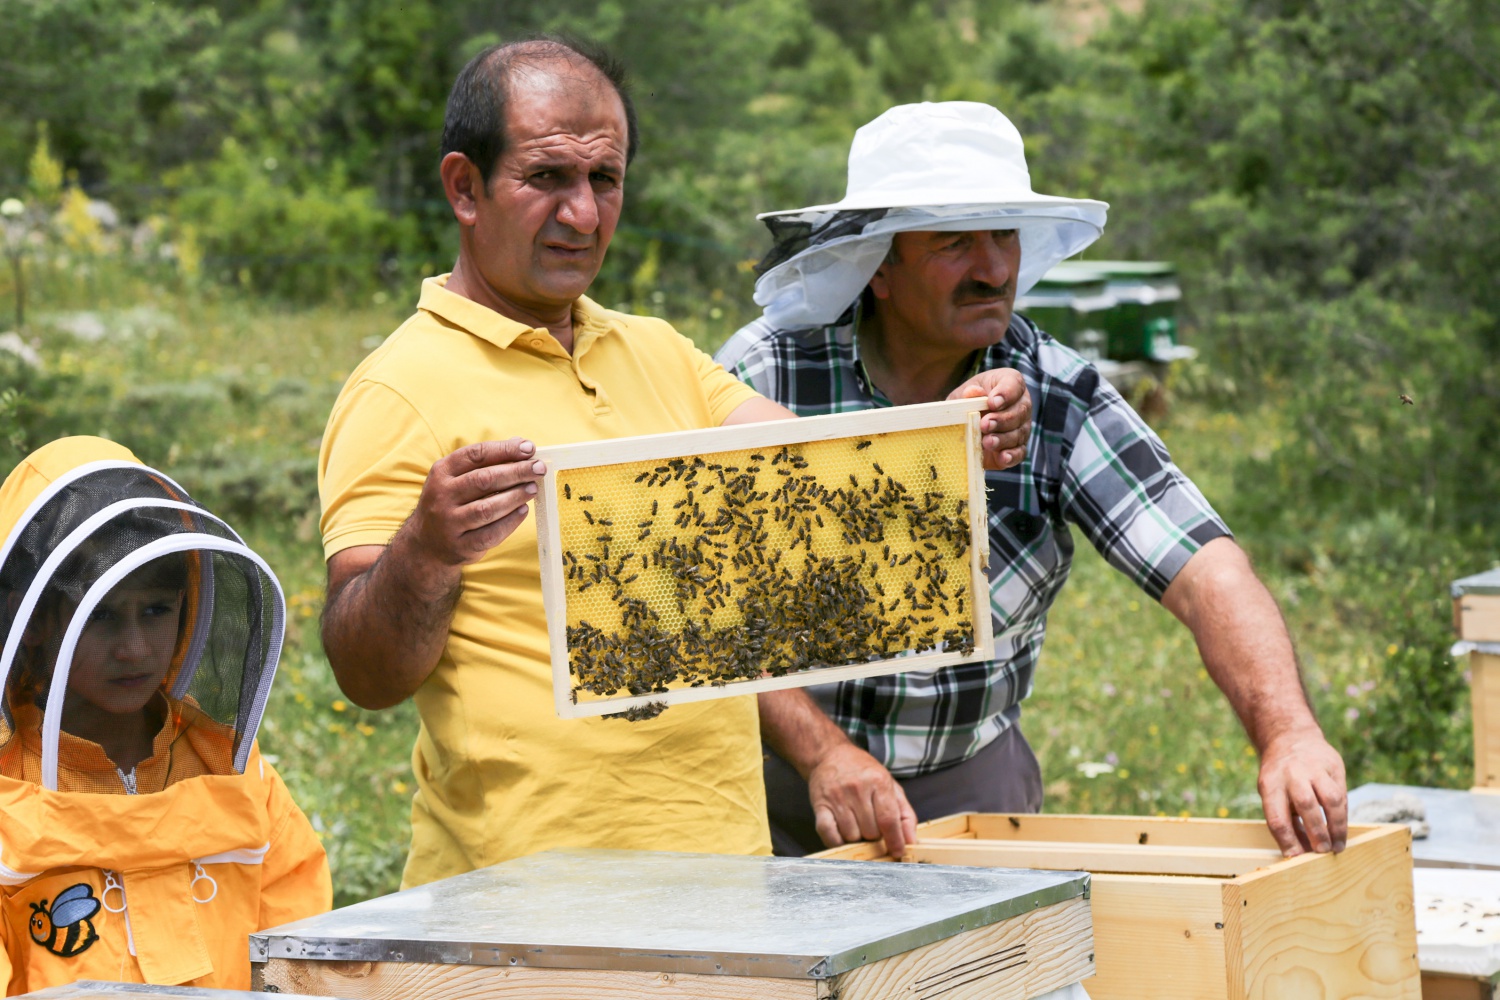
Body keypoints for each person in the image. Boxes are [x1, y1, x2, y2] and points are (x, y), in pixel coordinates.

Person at [317, 39, 1034, 888]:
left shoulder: (657, 352)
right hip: (522, 900)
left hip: (723, 881)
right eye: (547, 178)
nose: (582, 214)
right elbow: (365, 674)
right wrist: (427, 551)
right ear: (464, 188)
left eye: (604, 181)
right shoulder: (398, 388)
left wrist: (946, 435)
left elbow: (821, 474)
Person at [717, 101, 1348, 861]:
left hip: (968, 788)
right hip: (775, 779)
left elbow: (1204, 568)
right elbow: (703, 609)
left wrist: (1290, 733)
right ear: (879, 265)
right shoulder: (769, 370)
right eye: (955, 242)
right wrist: (819, 753)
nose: (993, 268)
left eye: (1003, 236)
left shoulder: (1056, 390)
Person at [0, 436, 331, 993]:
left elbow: (302, 962)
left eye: (155, 611)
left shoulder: (238, 775)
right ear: (30, 618)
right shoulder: (11, 790)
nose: (134, 647)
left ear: (190, 605)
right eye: (101, 616)